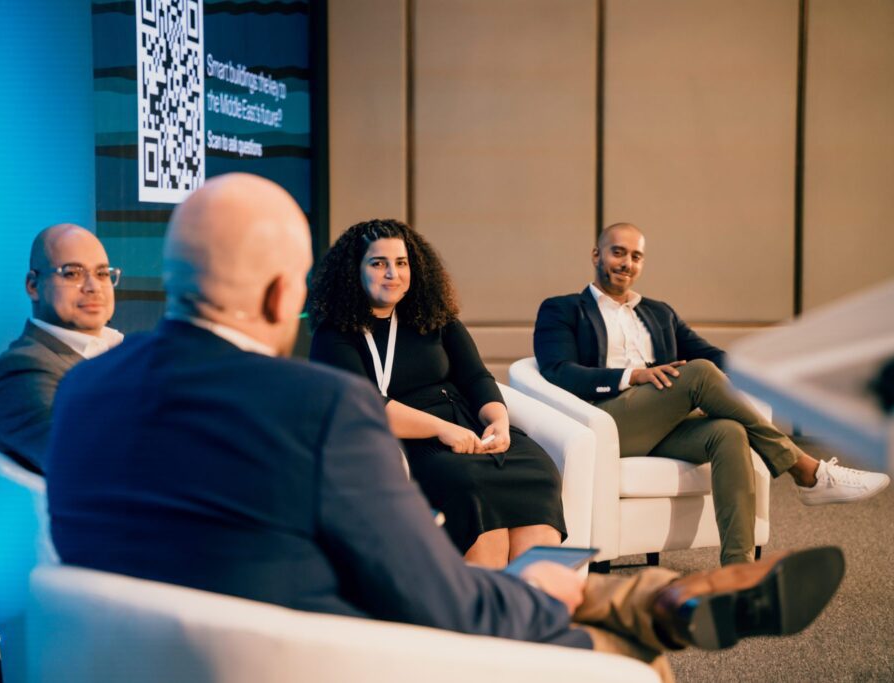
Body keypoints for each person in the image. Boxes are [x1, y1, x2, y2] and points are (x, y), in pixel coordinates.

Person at [47, 174, 845, 682]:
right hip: (336, 654)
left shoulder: (81, 395)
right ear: (283, 292)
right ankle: (643, 604)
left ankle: (651, 594)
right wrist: (549, 594)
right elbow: (437, 598)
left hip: (146, 650)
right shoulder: (321, 406)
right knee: (630, 658)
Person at [534, 222, 890, 566]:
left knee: (728, 433)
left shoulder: (658, 313)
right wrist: (633, 375)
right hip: (607, 422)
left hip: (662, 424)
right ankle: (805, 470)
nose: (627, 263)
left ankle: (738, 570)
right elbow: (558, 371)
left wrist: (756, 374)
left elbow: (712, 354)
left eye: (637, 256)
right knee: (699, 374)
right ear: (597, 254)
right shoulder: (563, 309)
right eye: (618, 252)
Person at [308, 219, 564, 569]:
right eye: (378, 263)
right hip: (416, 438)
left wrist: (499, 422)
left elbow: (476, 378)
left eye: (401, 263)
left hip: (470, 426)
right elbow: (364, 406)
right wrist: (442, 429)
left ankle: (537, 607)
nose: (392, 274)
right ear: (355, 271)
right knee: (469, 483)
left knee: (540, 471)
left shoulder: (434, 318)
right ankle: (483, 611)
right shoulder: (334, 334)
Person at [0, 224, 123, 473]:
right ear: (33, 286)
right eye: (72, 273)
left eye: (102, 273)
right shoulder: (22, 369)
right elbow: (86, 464)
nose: (93, 287)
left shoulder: (125, 352)